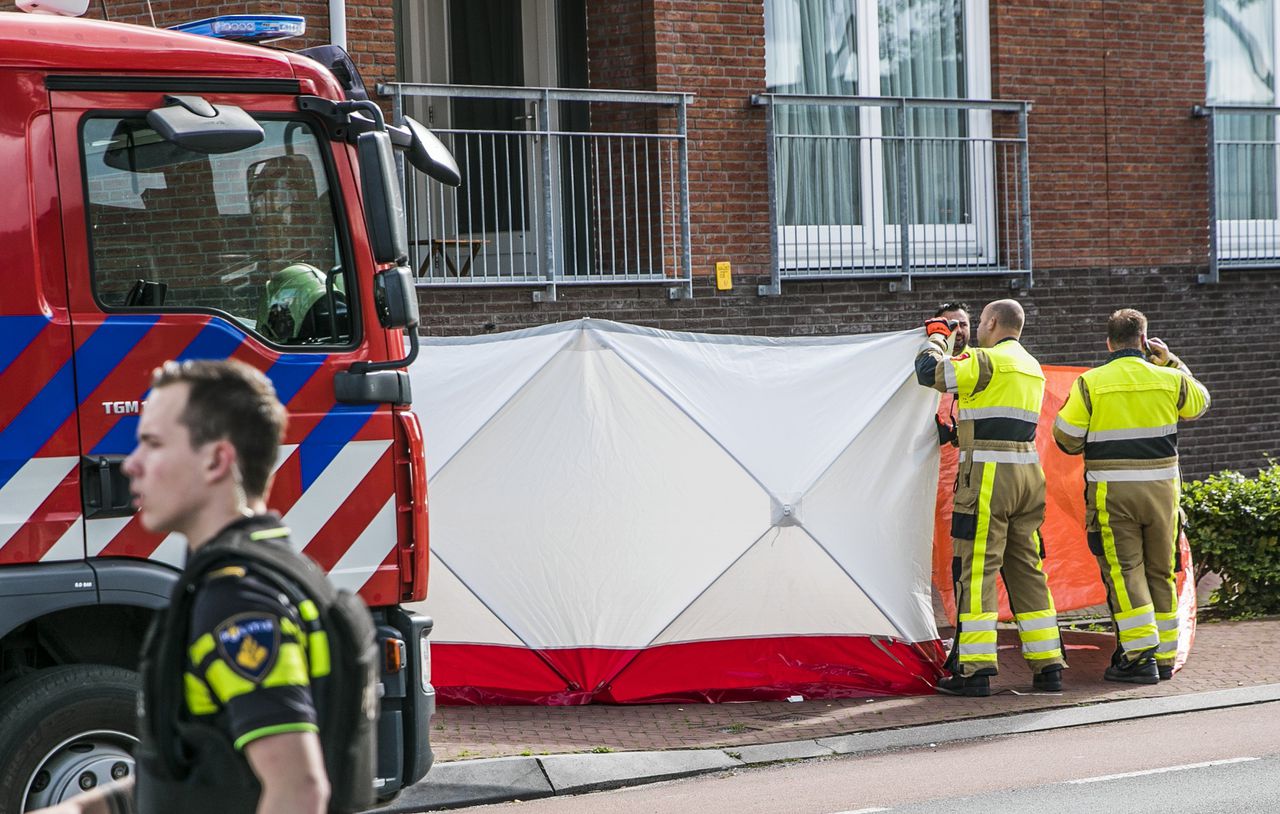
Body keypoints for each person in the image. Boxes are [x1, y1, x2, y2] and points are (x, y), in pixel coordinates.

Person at [37, 359, 330, 814]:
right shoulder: (275, 573)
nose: (130, 465)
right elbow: (210, 777)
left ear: (216, 459)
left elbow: (298, 790)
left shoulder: (239, 598)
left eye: (152, 445)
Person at [916, 299, 1065, 696]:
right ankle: (1049, 666)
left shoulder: (986, 361)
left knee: (975, 571)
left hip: (987, 478)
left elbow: (929, 374)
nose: (978, 329)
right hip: (1028, 475)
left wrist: (936, 336)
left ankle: (974, 670)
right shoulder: (1032, 367)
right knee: (1027, 570)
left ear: (994, 322)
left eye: (980, 322)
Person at [1051, 309, 1210, 684]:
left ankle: (1139, 658)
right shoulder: (1171, 379)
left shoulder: (1091, 384)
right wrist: (1170, 360)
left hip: (1113, 494)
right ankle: (1166, 656)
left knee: (1125, 572)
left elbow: (1065, 438)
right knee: (1161, 571)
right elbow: (1201, 403)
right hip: (1163, 494)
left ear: (1108, 343)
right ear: (1144, 340)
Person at [931, 301, 970, 447]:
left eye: (963, 324)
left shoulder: (979, 363)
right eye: (952, 325)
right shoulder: (924, 363)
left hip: (965, 461)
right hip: (926, 460)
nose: (958, 330)